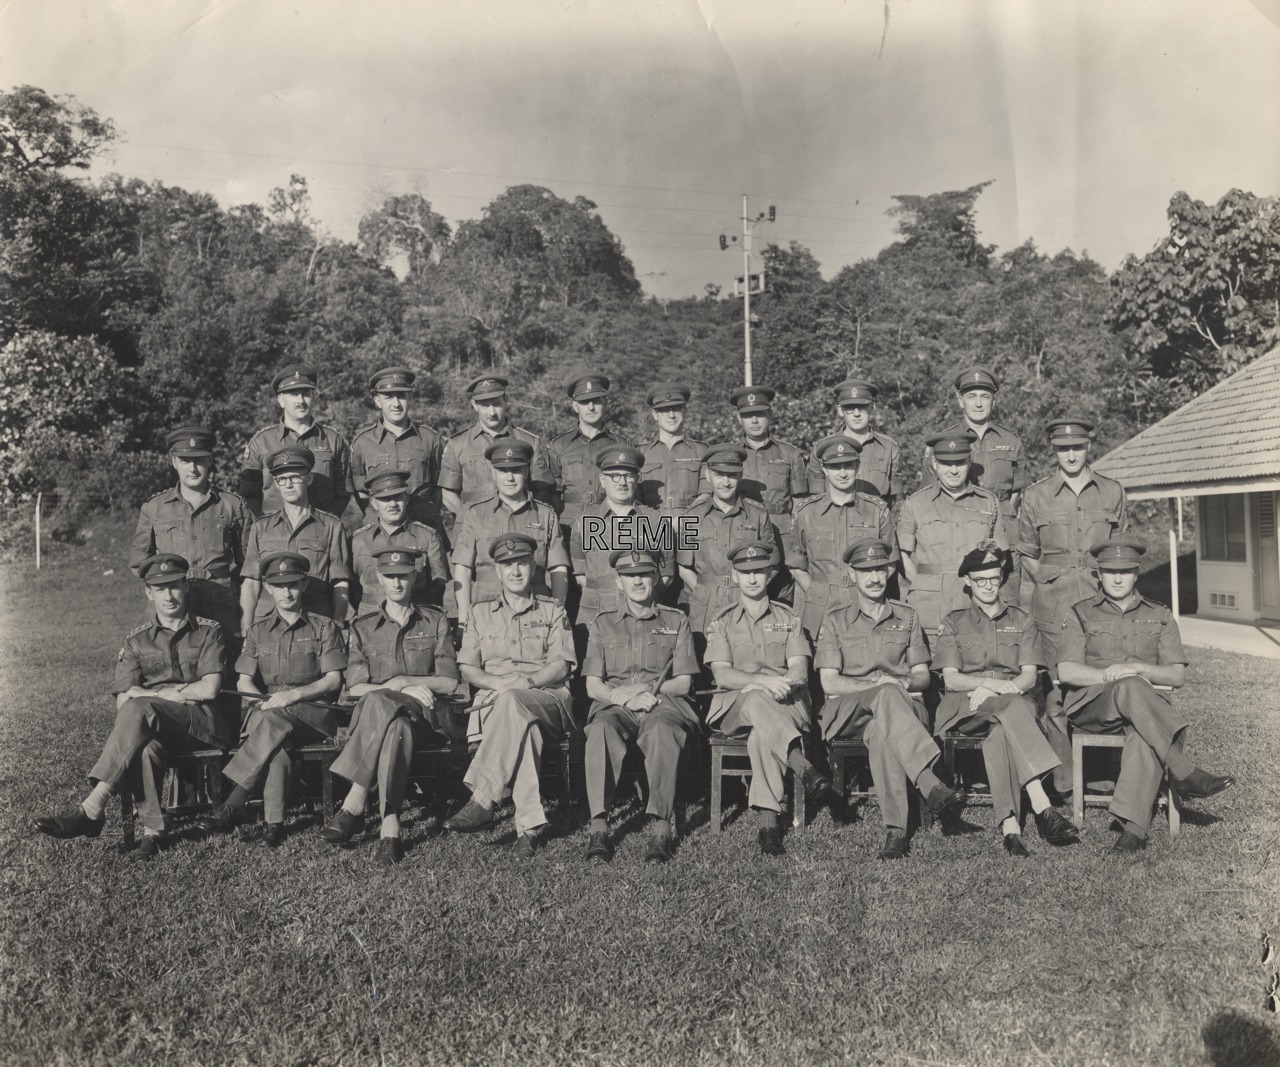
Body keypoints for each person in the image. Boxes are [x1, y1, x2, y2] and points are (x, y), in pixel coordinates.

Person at [35, 554, 232, 860]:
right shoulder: (137, 641)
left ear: (186, 587)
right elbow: (122, 700)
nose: (168, 596)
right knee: (145, 747)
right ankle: (153, 833)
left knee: (140, 708)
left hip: (202, 725)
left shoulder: (208, 631)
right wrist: (179, 692)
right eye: (160, 588)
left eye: (175, 586)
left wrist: (153, 694)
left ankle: (93, 806)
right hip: (156, 726)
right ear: (148, 593)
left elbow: (209, 689)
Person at [1057, 539, 1234, 852]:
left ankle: (1133, 832)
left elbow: (1176, 675)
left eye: (1125, 571)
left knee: (1144, 730)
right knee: (1129, 685)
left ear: (1137, 573)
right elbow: (1067, 671)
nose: (1117, 578)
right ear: (1098, 573)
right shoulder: (1080, 613)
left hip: (1143, 712)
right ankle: (1185, 771)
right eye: (1109, 571)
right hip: (1093, 707)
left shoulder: (1160, 614)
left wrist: (1139, 667)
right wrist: (1108, 674)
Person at [815, 538, 965, 860]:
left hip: (903, 710)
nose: (874, 577)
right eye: (865, 570)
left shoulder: (907, 616)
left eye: (880, 569)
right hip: (848, 712)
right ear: (852, 574)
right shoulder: (835, 618)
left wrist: (897, 682)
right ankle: (930, 782)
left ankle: (895, 833)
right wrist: (878, 684)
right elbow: (829, 681)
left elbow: (923, 676)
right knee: (883, 694)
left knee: (882, 734)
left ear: (889, 571)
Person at [932, 544, 1080, 856]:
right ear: (968, 582)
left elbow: (1028, 677)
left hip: (1012, 700)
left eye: (994, 578)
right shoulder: (954, 621)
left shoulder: (1023, 620)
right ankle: (1042, 805)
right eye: (980, 579)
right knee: (1012, 707)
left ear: (1001, 579)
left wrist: (1001, 690)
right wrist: (989, 685)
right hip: (967, 703)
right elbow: (952, 679)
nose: (988, 586)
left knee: (1001, 730)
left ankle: (1010, 827)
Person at [321, 547, 464, 866]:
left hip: (425, 721)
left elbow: (450, 682)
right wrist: (400, 685)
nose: (397, 583)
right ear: (379, 578)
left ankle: (355, 801)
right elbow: (355, 687)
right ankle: (390, 829)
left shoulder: (434, 620)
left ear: (414, 577)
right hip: (391, 727)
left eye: (403, 576)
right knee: (394, 725)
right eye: (390, 576)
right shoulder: (363, 626)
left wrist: (404, 684)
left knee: (385, 704)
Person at [196, 552, 347, 847]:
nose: (286, 592)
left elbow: (333, 680)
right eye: (279, 585)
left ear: (303, 585)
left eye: (293, 584)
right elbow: (244, 680)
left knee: (271, 723)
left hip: (312, 712)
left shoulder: (324, 627)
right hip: (269, 712)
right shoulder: (257, 631)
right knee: (276, 747)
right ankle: (273, 826)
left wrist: (292, 695)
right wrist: (260, 699)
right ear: (267, 587)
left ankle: (231, 804)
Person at [443, 534, 577, 859]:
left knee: (516, 702)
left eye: (521, 563)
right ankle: (527, 831)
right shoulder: (479, 612)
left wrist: (525, 682)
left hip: (547, 700)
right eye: (507, 565)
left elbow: (561, 665)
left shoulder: (552, 610)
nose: (515, 571)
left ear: (532, 566)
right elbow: (468, 668)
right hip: (496, 701)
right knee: (522, 726)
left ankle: (483, 800)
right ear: (497, 572)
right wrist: (498, 683)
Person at [1018, 415, 1128, 794]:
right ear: (1055, 452)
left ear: (1088, 447)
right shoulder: (1036, 495)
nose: (1070, 455)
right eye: (1063, 449)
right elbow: (1028, 555)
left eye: (1077, 447)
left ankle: (1103, 774)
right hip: (1054, 608)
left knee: (1104, 684)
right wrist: (1052, 583)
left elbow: (1121, 552)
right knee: (1055, 695)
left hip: (1100, 605)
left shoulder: (1111, 491)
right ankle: (1063, 782)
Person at [704, 540, 831, 856]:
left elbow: (799, 670)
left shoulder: (789, 618)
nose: (752, 578)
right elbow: (723, 675)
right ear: (734, 576)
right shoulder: (721, 621)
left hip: (786, 703)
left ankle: (768, 822)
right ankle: (802, 765)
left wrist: (780, 685)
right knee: (754, 698)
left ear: (770, 573)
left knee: (762, 735)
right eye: (744, 572)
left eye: (759, 571)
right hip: (735, 707)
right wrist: (763, 682)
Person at [582, 550, 699, 864]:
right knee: (600, 729)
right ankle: (599, 827)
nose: (638, 581)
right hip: (616, 706)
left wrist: (646, 689)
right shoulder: (602, 623)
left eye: (644, 574)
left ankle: (662, 827)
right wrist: (625, 696)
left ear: (656, 579)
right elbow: (594, 686)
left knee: (663, 729)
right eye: (630, 576)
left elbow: (684, 683)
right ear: (619, 582)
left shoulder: (676, 620)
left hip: (662, 703)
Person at [129, 426, 253, 647]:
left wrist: (227, 585)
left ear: (210, 461)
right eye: (185, 460)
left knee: (226, 668)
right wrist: (166, 583)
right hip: (172, 605)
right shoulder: (155, 507)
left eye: (199, 460)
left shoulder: (233, 505)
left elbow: (250, 564)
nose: (193, 468)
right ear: (174, 462)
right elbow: (137, 562)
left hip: (220, 603)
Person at [923, 367, 1026, 589]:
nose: (978, 403)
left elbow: (1017, 491)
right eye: (971, 396)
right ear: (961, 401)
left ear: (993, 401)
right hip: (958, 534)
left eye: (985, 396)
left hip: (1002, 538)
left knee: (1006, 604)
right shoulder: (943, 442)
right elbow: (929, 498)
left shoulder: (1011, 440)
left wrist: (999, 518)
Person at [450, 440, 569, 627]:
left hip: (535, 612)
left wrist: (557, 614)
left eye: (516, 470)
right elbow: (463, 569)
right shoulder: (475, 514)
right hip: (486, 613)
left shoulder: (546, 515)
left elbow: (558, 569)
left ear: (526, 472)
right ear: (493, 473)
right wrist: (463, 619)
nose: (510, 478)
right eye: (503, 471)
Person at [792, 435, 897, 638]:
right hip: (819, 608)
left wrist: (867, 591)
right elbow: (796, 564)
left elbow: (890, 562)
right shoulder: (805, 512)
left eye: (848, 465)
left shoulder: (877, 510)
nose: (842, 473)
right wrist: (818, 594)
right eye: (834, 466)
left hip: (865, 604)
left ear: (858, 466)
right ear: (823, 469)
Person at [898, 430, 1001, 635]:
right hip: (929, 610)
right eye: (946, 463)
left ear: (969, 462)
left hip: (975, 606)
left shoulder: (989, 502)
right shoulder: (914, 504)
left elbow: (1000, 556)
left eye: (960, 462)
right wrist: (921, 584)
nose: (953, 470)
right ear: (935, 464)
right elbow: (902, 555)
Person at [239, 446, 352, 631]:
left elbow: (340, 581)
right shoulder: (261, 527)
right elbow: (251, 582)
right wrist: (246, 630)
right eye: (282, 479)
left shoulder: (331, 526)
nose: (289, 485)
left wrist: (337, 624)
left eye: (295, 477)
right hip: (268, 625)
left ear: (309, 479)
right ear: (275, 483)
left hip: (316, 621)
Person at [570, 445, 673, 644]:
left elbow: (667, 575)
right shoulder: (583, 523)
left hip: (643, 616)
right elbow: (580, 574)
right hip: (595, 617)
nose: (622, 482)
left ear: (637, 479)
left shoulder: (656, 522)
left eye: (629, 475)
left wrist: (639, 599)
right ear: (602, 480)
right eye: (615, 476)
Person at [677, 445, 779, 635]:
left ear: (740, 476)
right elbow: (684, 567)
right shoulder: (692, 515)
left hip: (746, 601)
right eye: (719, 475)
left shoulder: (757, 514)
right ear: (708, 476)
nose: (726, 482)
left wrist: (750, 591)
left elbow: (773, 564)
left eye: (731, 475)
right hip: (704, 605)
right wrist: (704, 593)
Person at [723, 385, 812, 600]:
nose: (754, 421)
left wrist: (798, 546)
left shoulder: (790, 454)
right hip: (744, 535)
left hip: (782, 540)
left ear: (770, 414)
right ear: (739, 418)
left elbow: (801, 504)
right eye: (747, 415)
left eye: (759, 414)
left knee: (781, 601)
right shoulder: (730, 455)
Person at [239, 364, 354, 518]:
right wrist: (267, 526)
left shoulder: (333, 440)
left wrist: (325, 524)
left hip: (321, 534)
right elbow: (249, 495)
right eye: (293, 394)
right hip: (274, 534)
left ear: (314, 396)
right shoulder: (261, 442)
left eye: (306, 393)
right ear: (281, 400)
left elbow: (343, 492)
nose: (301, 400)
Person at [438, 374, 552, 520]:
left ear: (506, 401)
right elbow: (448, 496)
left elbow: (542, 490)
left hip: (517, 527)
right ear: (474, 405)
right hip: (473, 531)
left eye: (496, 404)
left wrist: (526, 519)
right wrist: (471, 524)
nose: (492, 412)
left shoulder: (530, 442)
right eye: (485, 406)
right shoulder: (458, 444)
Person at [349, 366, 445, 531]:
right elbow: (360, 491)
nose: (396, 404)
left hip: (423, 526)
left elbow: (439, 488)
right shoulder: (362, 442)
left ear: (410, 397)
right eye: (388, 397)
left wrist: (428, 511)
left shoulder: (430, 439)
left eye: (401, 396)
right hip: (379, 530)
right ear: (377, 401)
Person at [546, 372, 633, 539]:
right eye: (585, 402)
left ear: (604, 403)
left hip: (611, 524)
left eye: (596, 401)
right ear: (575, 406)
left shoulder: (622, 446)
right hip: (569, 526)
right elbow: (549, 494)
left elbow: (633, 491)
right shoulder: (559, 446)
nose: (591, 407)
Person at [350, 469, 448, 612]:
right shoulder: (358, 541)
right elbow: (353, 588)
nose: (393, 504)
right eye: (385, 499)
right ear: (374, 503)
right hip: (371, 620)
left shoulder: (427, 537)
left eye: (397, 497)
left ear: (406, 498)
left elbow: (438, 584)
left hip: (416, 616)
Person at [806, 379, 903, 507]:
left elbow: (895, 499)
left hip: (876, 522)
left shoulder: (889, 447)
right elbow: (816, 498)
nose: (856, 414)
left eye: (862, 407)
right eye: (850, 408)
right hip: (835, 522)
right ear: (840, 410)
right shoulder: (822, 448)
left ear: (872, 407)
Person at [637, 383, 708, 516]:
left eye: (676, 408)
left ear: (684, 411)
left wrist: (683, 520)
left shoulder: (702, 451)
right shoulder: (641, 454)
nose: (671, 415)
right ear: (655, 414)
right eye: (664, 410)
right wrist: (654, 521)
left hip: (691, 526)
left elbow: (706, 495)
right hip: (651, 526)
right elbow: (634, 497)